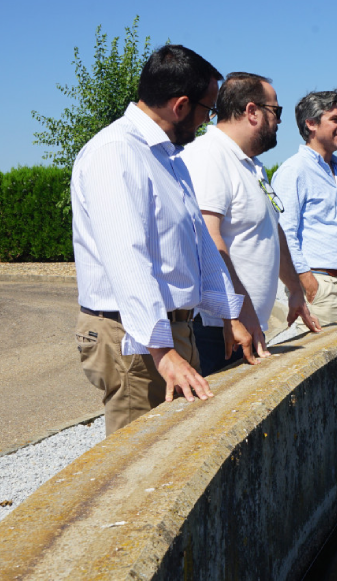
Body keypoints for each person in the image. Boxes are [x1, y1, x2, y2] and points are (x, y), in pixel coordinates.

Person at [70, 45, 249, 435]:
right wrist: (162, 349)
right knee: (140, 465)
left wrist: (228, 314)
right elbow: (125, 256)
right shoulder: (116, 152)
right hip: (134, 336)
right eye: (209, 109)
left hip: (166, 330)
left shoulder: (168, 157)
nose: (208, 121)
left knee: (174, 447)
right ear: (181, 105)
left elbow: (198, 241)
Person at [181, 72, 321, 376]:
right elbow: (207, 237)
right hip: (218, 330)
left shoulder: (251, 165)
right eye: (277, 111)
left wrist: (294, 288)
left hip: (244, 326)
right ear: (252, 111)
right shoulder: (209, 155)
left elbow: (273, 231)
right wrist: (238, 310)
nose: (280, 122)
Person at [272, 88, 337, 333]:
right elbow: (283, 232)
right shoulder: (295, 170)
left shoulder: (336, 169)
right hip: (321, 288)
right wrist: (308, 283)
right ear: (311, 124)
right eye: (335, 119)